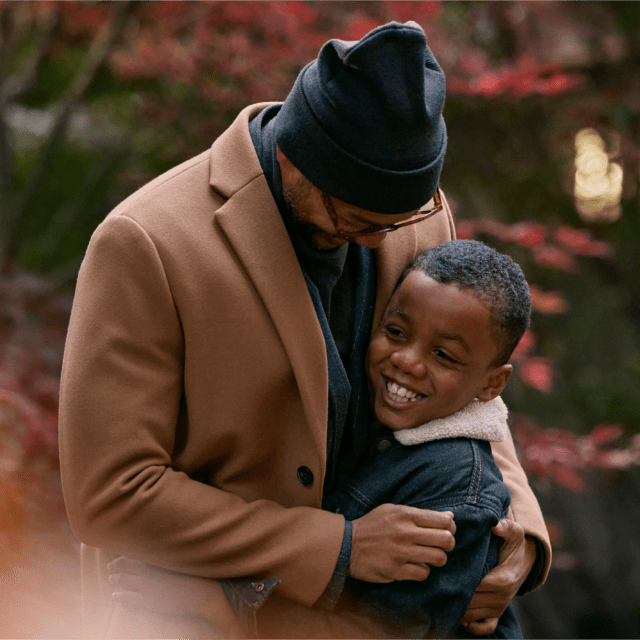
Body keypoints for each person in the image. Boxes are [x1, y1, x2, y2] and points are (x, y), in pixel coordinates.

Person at [58, 20, 551, 639]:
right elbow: (112, 493)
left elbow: (465, 387)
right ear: (294, 158)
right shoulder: (145, 244)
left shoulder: (409, 216)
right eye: (355, 218)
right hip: (184, 614)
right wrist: (336, 548)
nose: (381, 238)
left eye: (398, 220)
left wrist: (521, 535)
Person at [110, 239, 531, 639]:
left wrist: (228, 609)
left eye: (443, 356)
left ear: (492, 383)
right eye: (397, 332)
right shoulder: (383, 425)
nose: (406, 361)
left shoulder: (455, 494)